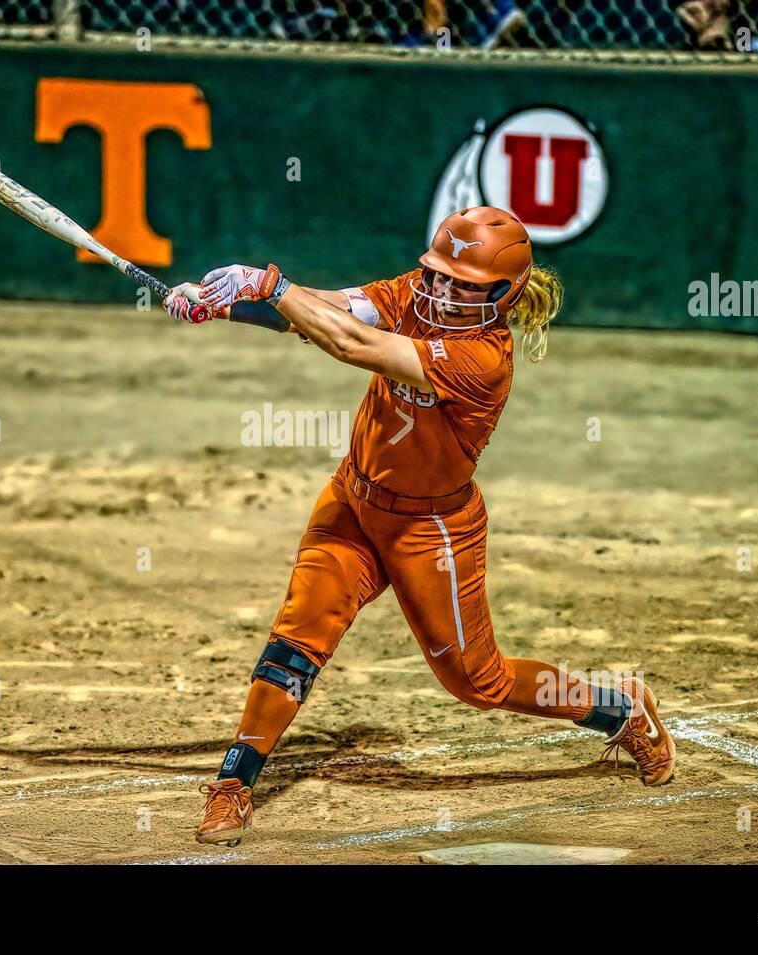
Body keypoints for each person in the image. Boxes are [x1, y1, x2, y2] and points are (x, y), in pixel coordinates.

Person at [164, 207, 676, 847]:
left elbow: (352, 343)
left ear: (503, 294)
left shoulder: (480, 361)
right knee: (297, 639)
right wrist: (226, 302)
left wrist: (265, 283)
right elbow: (335, 308)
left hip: (431, 532)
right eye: (439, 275)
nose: (444, 291)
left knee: (476, 683)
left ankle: (618, 709)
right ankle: (235, 783)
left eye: (465, 285)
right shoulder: (417, 292)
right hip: (353, 502)